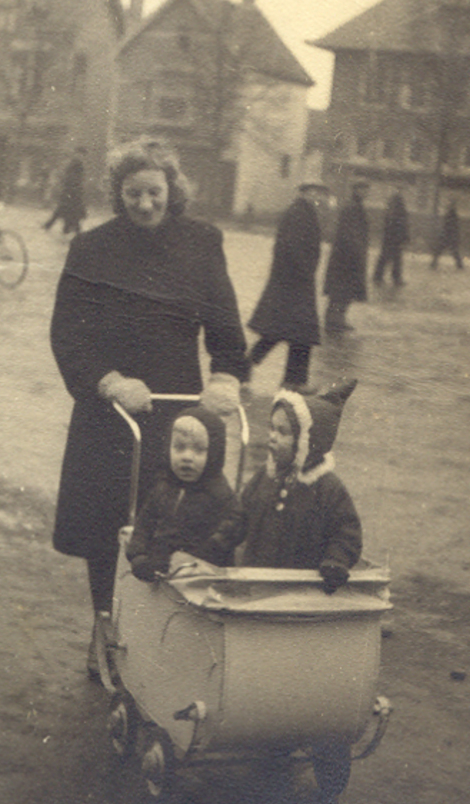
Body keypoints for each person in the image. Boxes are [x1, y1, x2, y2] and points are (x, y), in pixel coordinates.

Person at [50, 137, 249, 680]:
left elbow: (225, 325)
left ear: (171, 189)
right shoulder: (91, 247)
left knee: (178, 521)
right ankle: (105, 627)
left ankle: (168, 633)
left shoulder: (201, 242)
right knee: (107, 526)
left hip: (176, 413)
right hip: (111, 410)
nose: (144, 204)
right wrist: (109, 381)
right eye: (133, 193)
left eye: (154, 192)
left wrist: (226, 377)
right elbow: (67, 333)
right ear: (118, 193)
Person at [233, 379, 362, 593]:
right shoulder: (265, 477)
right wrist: (220, 541)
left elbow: (347, 534)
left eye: (282, 432)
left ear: (307, 442)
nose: (272, 437)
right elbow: (239, 516)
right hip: (256, 578)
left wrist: (335, 561)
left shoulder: (328, 488)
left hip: (301, 587)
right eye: (272, 428)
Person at [126, 405, 242, 582]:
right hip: (159, 570)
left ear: (213, 454)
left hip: (199, 575)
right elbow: (144, 524)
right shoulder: (163, 487)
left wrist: (201, 556)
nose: (187, 457)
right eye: (179, 448)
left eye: (199, 450)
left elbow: (232, 530)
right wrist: (138, 556)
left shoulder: (219, 494)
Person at [247, 181, 326, 388]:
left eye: (318, 193)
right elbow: (290, 247)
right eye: (312, 192)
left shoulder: (303, 212)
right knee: (294, 332)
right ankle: (293, 380)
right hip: (294, 282)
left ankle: (291, 379)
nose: (316, 196)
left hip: (294, 282)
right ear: (303, 193)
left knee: (286, 332)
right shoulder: (298, 213)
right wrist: (304, 271)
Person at [323, 181, 370, 332]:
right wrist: (357, 252)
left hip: (347, 256)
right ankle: (334, 321)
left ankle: (337, 319)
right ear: (355, 190)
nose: (365, 193)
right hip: (346, 257)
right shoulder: (352, 207)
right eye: (362, 189)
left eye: (366, 190)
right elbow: (349, 233)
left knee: (345, 290)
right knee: (341, 291)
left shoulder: (356, 206)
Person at [43, 147, 87, 234]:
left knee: (66, 209)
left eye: (82, 155)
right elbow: (72, 177)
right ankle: (71, 228)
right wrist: (75, 187)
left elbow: (72, 177)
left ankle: (60, 226)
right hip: (72, 190)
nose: (81, 156)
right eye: (80, 154)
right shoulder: (76, 163)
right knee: (70, 209)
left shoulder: (75, 163)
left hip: (71, 190)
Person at [373, 190, 410, 287]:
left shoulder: (390, 211)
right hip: (396, 239)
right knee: (396, 259)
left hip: (389, 239)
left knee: (385, 258)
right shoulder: (400, 212)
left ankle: (378, 276)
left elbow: (388, 226)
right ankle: (395, 278)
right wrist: (405, 238)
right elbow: (403, 226)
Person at [431, 200, 463, 269]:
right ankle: (459, 265)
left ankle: (434, 263)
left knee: (439, 250)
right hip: (451, 236)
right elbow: (454, 227)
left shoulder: (450, 215)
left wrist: (443, 234)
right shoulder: (453, 215)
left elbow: (447, 226)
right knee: (454, 252)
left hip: (447, 235)